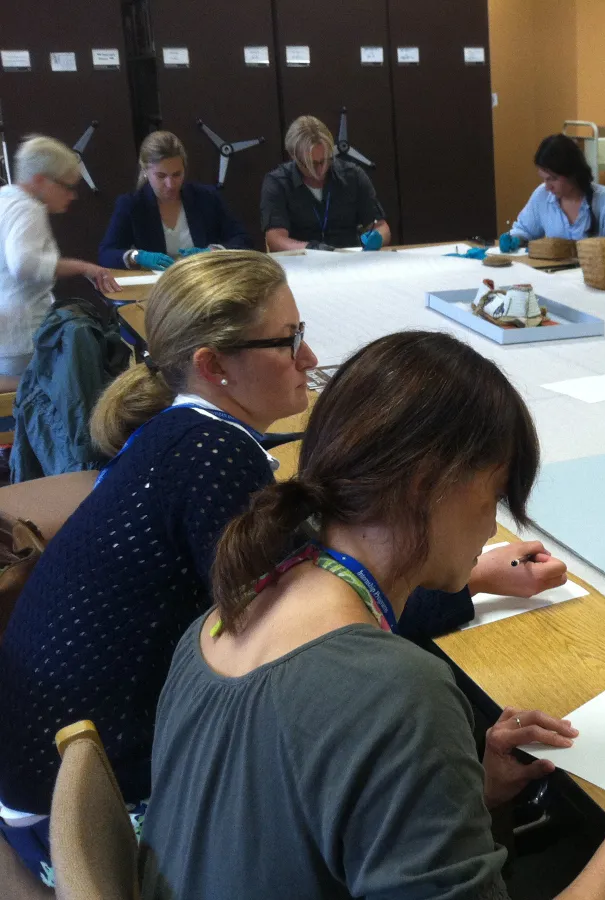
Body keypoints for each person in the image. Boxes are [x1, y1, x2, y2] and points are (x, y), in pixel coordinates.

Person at [0, 252, 564, 881]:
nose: (309, 357)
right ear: (213, 367)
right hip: (69, 803)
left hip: (69, 774)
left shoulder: (186, 441)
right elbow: (326, 627)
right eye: (287, 340)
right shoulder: (213, 460)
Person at [137, 330, 605, 900]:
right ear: (426, 486)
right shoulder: (397, 694)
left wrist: (465, 790)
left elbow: (286, 827)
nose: (491, 527)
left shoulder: (222, 619)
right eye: (493, 497)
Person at [0, 135, 120, 389]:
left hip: (7, 333)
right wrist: (83, 267)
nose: (72, 195)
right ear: (40, 181)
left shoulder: (5, 199)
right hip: (23, 332)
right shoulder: (28, 209)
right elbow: (23, 264)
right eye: (66, 186)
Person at [98, 131, 251, 271]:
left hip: (205, 280)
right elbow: (106, 254)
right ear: (145, 171)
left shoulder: (207, 197)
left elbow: (243, 240)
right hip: (158, 288)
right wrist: (136, 256)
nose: (170, 184)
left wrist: (213, 252)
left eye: (177, 174)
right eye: (161, 176)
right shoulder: (131, 205)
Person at [261, 116, 390, 252]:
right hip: (302, 262)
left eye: (326, 160)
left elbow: (381, 227)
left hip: (349, 259)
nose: (321, 170)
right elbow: (275, 240)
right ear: (294, 156)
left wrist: (377, 238)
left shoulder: (353, 175)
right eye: (312, 164)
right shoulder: (277, 183)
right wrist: (311, 248)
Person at [498, 134, 605, 251]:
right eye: (544, 179)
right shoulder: (542, 195)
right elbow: (525, 229)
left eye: (553, 179)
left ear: (572, 173)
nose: (548, 187)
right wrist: (515, 239)